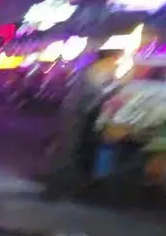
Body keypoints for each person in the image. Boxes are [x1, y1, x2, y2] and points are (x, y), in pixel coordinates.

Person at [42, 50, 123, 199]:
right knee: (68, 152)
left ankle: (63, 188)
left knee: (72, 152)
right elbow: (96, 92)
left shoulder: (95, 68)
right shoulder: (100, 69)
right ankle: (56, 190)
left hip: (77, 113)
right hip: (76, 115)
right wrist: (113, 92)